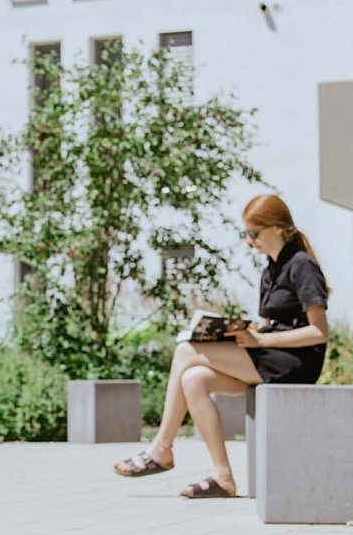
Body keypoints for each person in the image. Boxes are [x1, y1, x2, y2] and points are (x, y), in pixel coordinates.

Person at [114, 194, 330, 497]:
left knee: (185, 351)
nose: (249, 241)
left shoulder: (302, 265)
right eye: (246, 234)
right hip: (269, 354)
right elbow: (271, 323)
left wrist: (262, 339)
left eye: (254, 233)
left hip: (296, 362)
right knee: (193, 379)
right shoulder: (270, 270)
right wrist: (241, 332)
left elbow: (319, 332)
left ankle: (162, 447)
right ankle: (223, 476)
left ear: (279, 228)